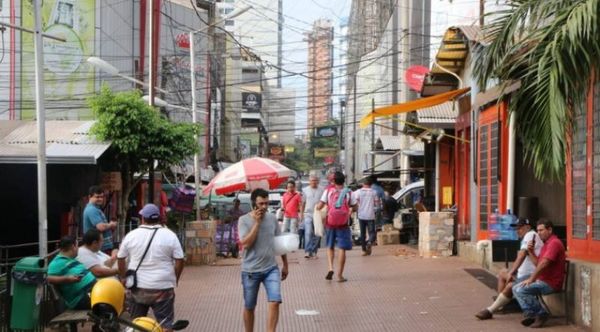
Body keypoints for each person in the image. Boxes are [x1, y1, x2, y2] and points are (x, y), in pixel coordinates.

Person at [117, 204, 185, 332]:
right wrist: (175, 278)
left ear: (142, 218)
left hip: (138, 288)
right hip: (163, 288)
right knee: (165, 324)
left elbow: (120, 258)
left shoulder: (131, 235)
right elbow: (180, 260)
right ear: (158, 218)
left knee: (136, 324)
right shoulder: (170, 235)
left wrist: (123, 277)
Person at [238, 188, 289, 332]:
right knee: (249, 306)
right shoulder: (243, 220)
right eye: (261, 204)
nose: (264, 207)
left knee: (275, 301)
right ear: (253, 203)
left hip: (270, 268)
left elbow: (279, 243)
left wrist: (285, 264)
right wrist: (257, 223)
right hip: (250, 271)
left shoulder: (272, 218)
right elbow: (246, 243)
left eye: (267, 203)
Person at [475, 218, 543, 320]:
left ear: (528, 227)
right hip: (523, 274)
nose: (517, 231)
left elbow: (522, 254)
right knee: (502, 272)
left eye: (520, 228)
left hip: (530, 275)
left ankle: (491, 309)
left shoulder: (530, 235)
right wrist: (512, 272)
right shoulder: (526, 236)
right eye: (516, 228)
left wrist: (512, 271)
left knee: (510, 285)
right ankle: (502, 303)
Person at [513, 219, 566, 328]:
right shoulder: (546, 244)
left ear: (550, 230)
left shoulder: (554, 243)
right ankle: (532, 314)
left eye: (541, 230)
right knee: (515, 288)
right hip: (543, 280)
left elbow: (544, 264)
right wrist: (531, 252)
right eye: (537, 230)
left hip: (551, 283)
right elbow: (538, 263)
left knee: (521, 289)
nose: (538, 233)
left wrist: (532, 279)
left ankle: (541, 314)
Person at [316, 171, 357, 282]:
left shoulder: (328, 191)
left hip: (330, 222)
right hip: (343, 224)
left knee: (330, 246)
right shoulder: (349, 192)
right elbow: (355, 207)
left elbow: (319, 206)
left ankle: (330, 268)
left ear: (333, 181)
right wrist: (351, 208)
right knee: (342, 248)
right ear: (344, 180)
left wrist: (318, 208)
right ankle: (340, 275)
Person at [47, 236, 97, 310]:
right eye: (77, 246)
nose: (78, 249)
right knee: (109, 296)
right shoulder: (56, 263)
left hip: (90, 292)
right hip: (81, 298)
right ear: (73, 246)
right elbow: (47, 278)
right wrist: (67, 279)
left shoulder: (71, 260)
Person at [83, 185, 118, 253]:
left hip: (101, 246)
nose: (100, 199)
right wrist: (111, 224)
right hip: (100, 248)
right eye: (97, 197)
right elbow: (101, 227)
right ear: (90, 197)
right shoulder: (92, 209)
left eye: (102, 197)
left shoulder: (95, 208)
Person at [353, 177, 381, 256]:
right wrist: (375, 209)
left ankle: (364, 250)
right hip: (370, 215)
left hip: (361, 215)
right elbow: (377, 204)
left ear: (363, 184)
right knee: (372, 233)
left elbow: (354, 203)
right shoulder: (374, 192)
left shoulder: (358, 192)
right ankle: (369, 242)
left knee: (362, 233)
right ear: (371, 184)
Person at [301, 174, 324, 258]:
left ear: (318, 181)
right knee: (308, 232)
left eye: (315, 180)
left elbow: (324, 202)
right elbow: (303, 203)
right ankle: (307, 251)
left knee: (317, 233)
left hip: (318, 214)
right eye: (312, 181)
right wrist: (301, 215)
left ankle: (314, 251)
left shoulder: (322, 190)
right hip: (308, 214)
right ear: (309, 182)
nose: (314, 182)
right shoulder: (305, 190)